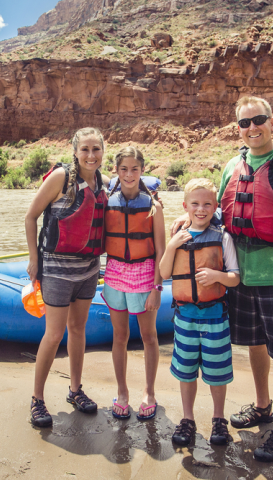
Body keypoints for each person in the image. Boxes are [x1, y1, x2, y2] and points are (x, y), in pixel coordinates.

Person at [171, 96, 273, 462]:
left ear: (272, 122)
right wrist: (182, 223)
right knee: (254, 344)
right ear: (237, 127)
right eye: (244, 123)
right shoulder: (231, 166)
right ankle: (263, 406)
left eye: (259, 120)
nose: (252, 128)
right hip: (240, 277)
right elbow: (214, 215)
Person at [25, 127, 110, 427]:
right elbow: (30, 216)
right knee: (54, 333)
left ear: (103, 151)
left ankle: (75, 390)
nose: (90, 155)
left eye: (96, 149)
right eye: (85, 149)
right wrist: (34, 259)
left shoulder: (104, 183)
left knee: (78, 329)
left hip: (88, 270)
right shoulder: (60, 178)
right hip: (57, 271)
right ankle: (37, 399)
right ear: (75, 151)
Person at [160, 178, 240, 446]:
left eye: (207, 204)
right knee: (186, 371)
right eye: (195, 204)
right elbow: (164, 272)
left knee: (217, 373)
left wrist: (218, 275)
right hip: (185, 318)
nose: (201, 209)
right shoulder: (178, 237)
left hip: (215, 317)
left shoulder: (222, 237)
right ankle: (187, 419)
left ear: (216, 206)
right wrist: (171, 246)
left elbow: (235, 278)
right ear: (185, 206)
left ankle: (219, 419)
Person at [102, 147, 165, 421]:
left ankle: (149, 392)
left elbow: (161, 251)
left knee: (149, 337)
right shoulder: (107, 203)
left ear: (142, 171)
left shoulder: (154, 207)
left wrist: (157, 288)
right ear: (116, 171)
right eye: (124, 169)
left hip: (144, 274)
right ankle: (122, 392)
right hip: (115, 273)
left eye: (135, 169)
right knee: (120, 336)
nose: (129, 175)